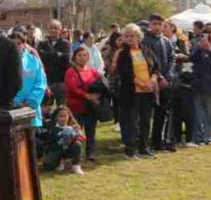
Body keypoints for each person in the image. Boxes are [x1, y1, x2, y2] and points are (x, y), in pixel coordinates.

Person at [114, 24, 159, 159]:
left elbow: (156, 67)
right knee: (131, 122)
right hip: (131, 93)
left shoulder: (146, 50)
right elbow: (125, 73)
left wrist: (152, 80)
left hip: (148, 92)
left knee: (145, 121)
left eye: (132, 36)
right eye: (126, 36)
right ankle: (131, 150)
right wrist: (142, 84)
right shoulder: (123, 54)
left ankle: (144, 148)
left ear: (139, 37)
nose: (129, 38)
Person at [143, 14, 176, 153]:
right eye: (154, 23)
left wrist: (168, 77)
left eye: (159, 24)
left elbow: (172, 59)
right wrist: (159, 77)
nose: (157, 26)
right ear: (150, 24)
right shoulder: (144, 41)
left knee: (163, 113)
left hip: (166, 83)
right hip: (151, 82)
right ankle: (144, 141)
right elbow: (147, 61)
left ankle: (158, 141)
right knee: (147, 114)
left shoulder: (167, 41)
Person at [64, 45, 104, 161]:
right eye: (79, 55)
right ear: (74, 57)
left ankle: (90, 153)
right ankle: (75, 153)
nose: (82, 57)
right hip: (76, 106)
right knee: (76, 131)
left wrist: (97, 95)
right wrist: (87, 95)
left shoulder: (92, 71)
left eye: (85, 55)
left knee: (91, 130)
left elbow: (101, 83)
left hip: (91, 107)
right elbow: (72, 88)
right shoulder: (70, 72)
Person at [190, 32, 211, 147]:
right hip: (198, 85)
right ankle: (198, 138)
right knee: (198, 113)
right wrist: (199, 47)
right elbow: (192, 59)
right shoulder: (198, 50)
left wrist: (210, 50)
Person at [11, 30, 47, 128]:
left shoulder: (33, 60)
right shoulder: (4, 62)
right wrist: (16, 102)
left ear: (24, 44)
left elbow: (41, 83)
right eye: (13, 44)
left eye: (19, 43)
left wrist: (29, 102)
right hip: (11, 108)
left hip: (30, 109)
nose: (16, 46)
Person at [36, 19, 71, 113]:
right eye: (51, 28)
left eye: (55, 28)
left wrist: (48, 55)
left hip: (61, 81)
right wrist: (57, 55)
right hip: (47, 81)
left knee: (62, 109)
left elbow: (66, 60)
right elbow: (40, 58)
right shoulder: (42, 44)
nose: (53, 30)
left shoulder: (65, 43)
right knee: (45, 109)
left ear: (60, 30)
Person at [42, 107, 86, 175]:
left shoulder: (73, 127)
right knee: (48, 168)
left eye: (65, 116)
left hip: (67, 150)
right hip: (56, 151)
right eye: (60, 116)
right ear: (56, 118)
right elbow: (52, 144)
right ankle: (61, 162)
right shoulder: (52, 128)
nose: (63, 118)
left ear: (69, 117)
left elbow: (82, 138)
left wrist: (75, 135)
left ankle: (75, 166)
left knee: (77, 144)